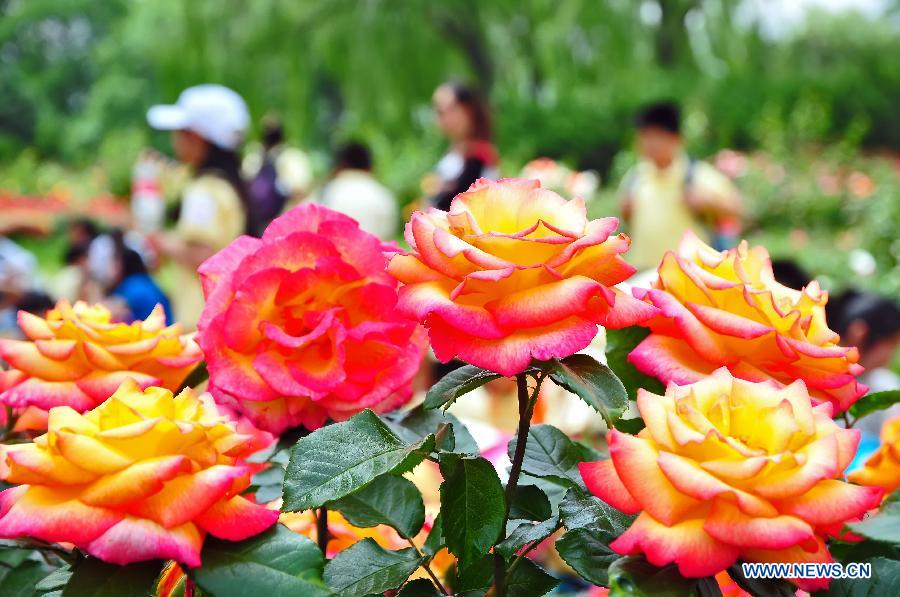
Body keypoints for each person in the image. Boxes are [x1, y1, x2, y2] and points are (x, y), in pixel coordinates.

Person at [145, 84, 250, 329]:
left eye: (180, 132)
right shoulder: (227, 185)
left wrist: (158, 240)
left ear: (197, 136)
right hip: (220, 317)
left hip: (198, 319)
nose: (174, 140)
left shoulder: (204, 190)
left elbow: (202, 254)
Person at [619, 101, 742, 271]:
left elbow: (738, 209)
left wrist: (709, 203)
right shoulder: (636, 176)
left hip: (688, 274)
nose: (650, 143)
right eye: (645, 136)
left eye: (657, 136)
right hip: (642, 274)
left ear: (676, 139)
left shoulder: (698, 175)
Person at [428, 82, 499, 211]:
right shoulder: (452, 153)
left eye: (449, 109)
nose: (443, 118)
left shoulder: (479, 154)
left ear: (468, 110)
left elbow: (460, 198)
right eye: (439, 111)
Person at [243, 115, 314, 236]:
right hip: (283, 221)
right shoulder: (292, 157)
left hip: (258, 220)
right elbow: (301, 188)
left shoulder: (254, 157)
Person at [316, 142, 398, 240]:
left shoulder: (329, 191)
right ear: (370, 167)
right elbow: (387, 233)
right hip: (374, 253)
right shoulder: (384, 195)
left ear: (340, 166)